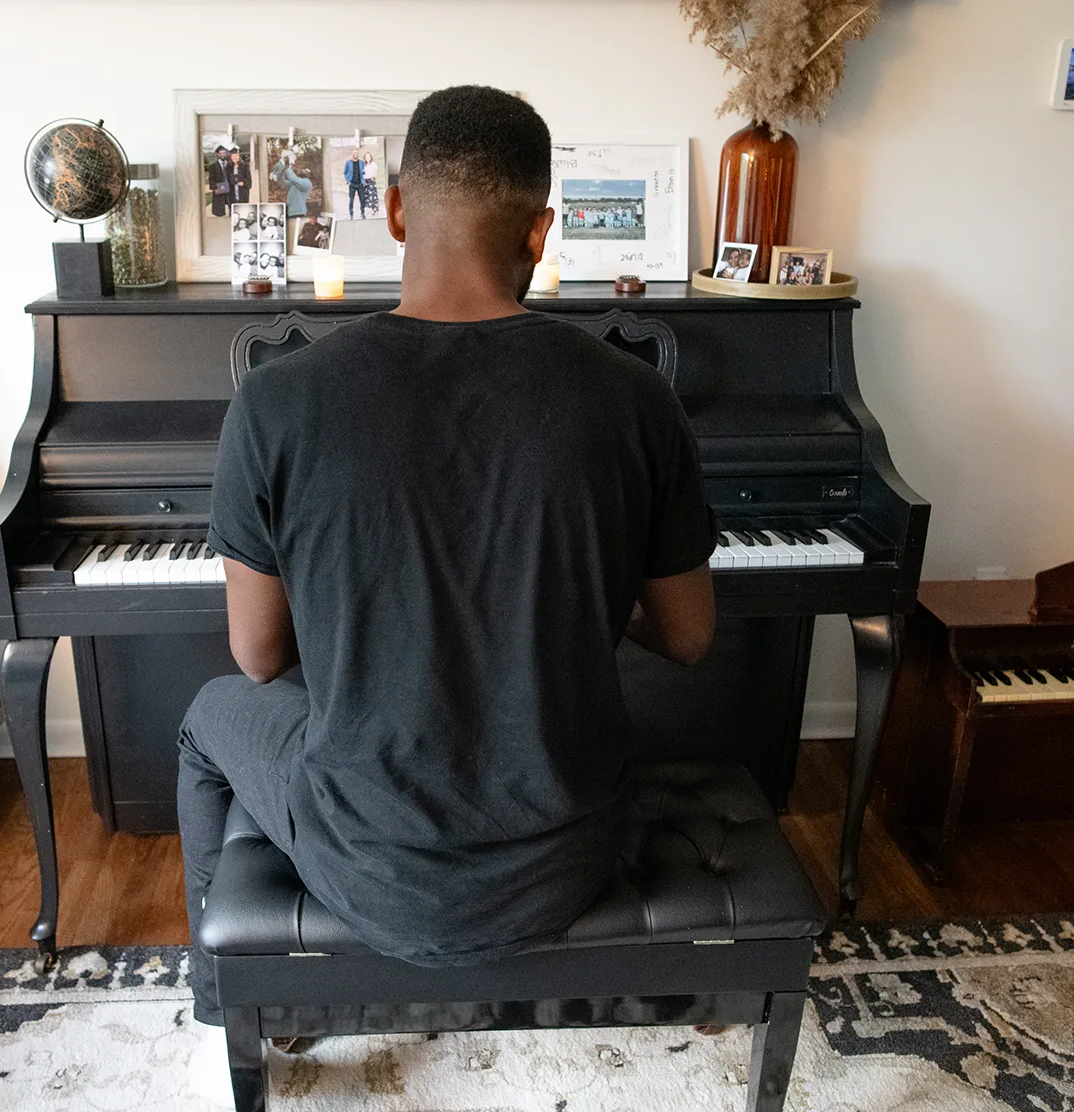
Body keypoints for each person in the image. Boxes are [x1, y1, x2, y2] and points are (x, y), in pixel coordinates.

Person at [180, 85, 715, 1106]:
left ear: (390, 209)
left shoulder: (279, 400)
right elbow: (687, 635)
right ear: (543, 230)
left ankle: (239, 1003)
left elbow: (258, 655)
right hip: (568, 855)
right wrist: (587, 580)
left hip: (366, 861)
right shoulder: (635, 397)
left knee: (210, 716)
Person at [272, 149, 313, 217]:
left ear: (309, 176)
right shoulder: (295, 183)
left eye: (306, 171)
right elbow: (282, 183)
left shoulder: (307, 183)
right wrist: (281, 171)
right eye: (304, 169)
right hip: (291, 212)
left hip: (299, 212)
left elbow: (292, 178)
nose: (303, 170)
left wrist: (288, 167)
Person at [206, 144, 232, 217]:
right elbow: (211, 179)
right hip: (220, 187)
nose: (222, 155)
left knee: (231, 205)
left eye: (223, 153)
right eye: (220, 153)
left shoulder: (230, 164)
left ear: (226, 154)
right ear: (218, 154)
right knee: (219, 209)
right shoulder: (213, 166)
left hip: (230, 187)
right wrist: (215, 188)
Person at [342, 147, 365, 219]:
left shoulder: (361, 162)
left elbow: (364, 173)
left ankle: (362, 213)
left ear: (358, 154)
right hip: (352, 184)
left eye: (357, 153)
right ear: (352, 154)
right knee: (351, 200)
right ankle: (351, 214)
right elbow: (345, 173)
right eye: (354, 153)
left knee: (362, 199)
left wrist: (363, 181)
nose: (355, 154)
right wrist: (348, 181)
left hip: (360, 184)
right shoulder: (348, 163)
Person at [360, 150, 381, 217]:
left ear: (371, 157)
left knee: (372, 195)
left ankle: (374, 209)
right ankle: (371, 208)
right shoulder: (364, 165)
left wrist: (370, 177)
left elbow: (374, 174)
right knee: (367, 196)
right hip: (365, 181)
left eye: (368, 156)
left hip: (371, 181)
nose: (367, 158)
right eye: (366, 157)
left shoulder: (373, 164)